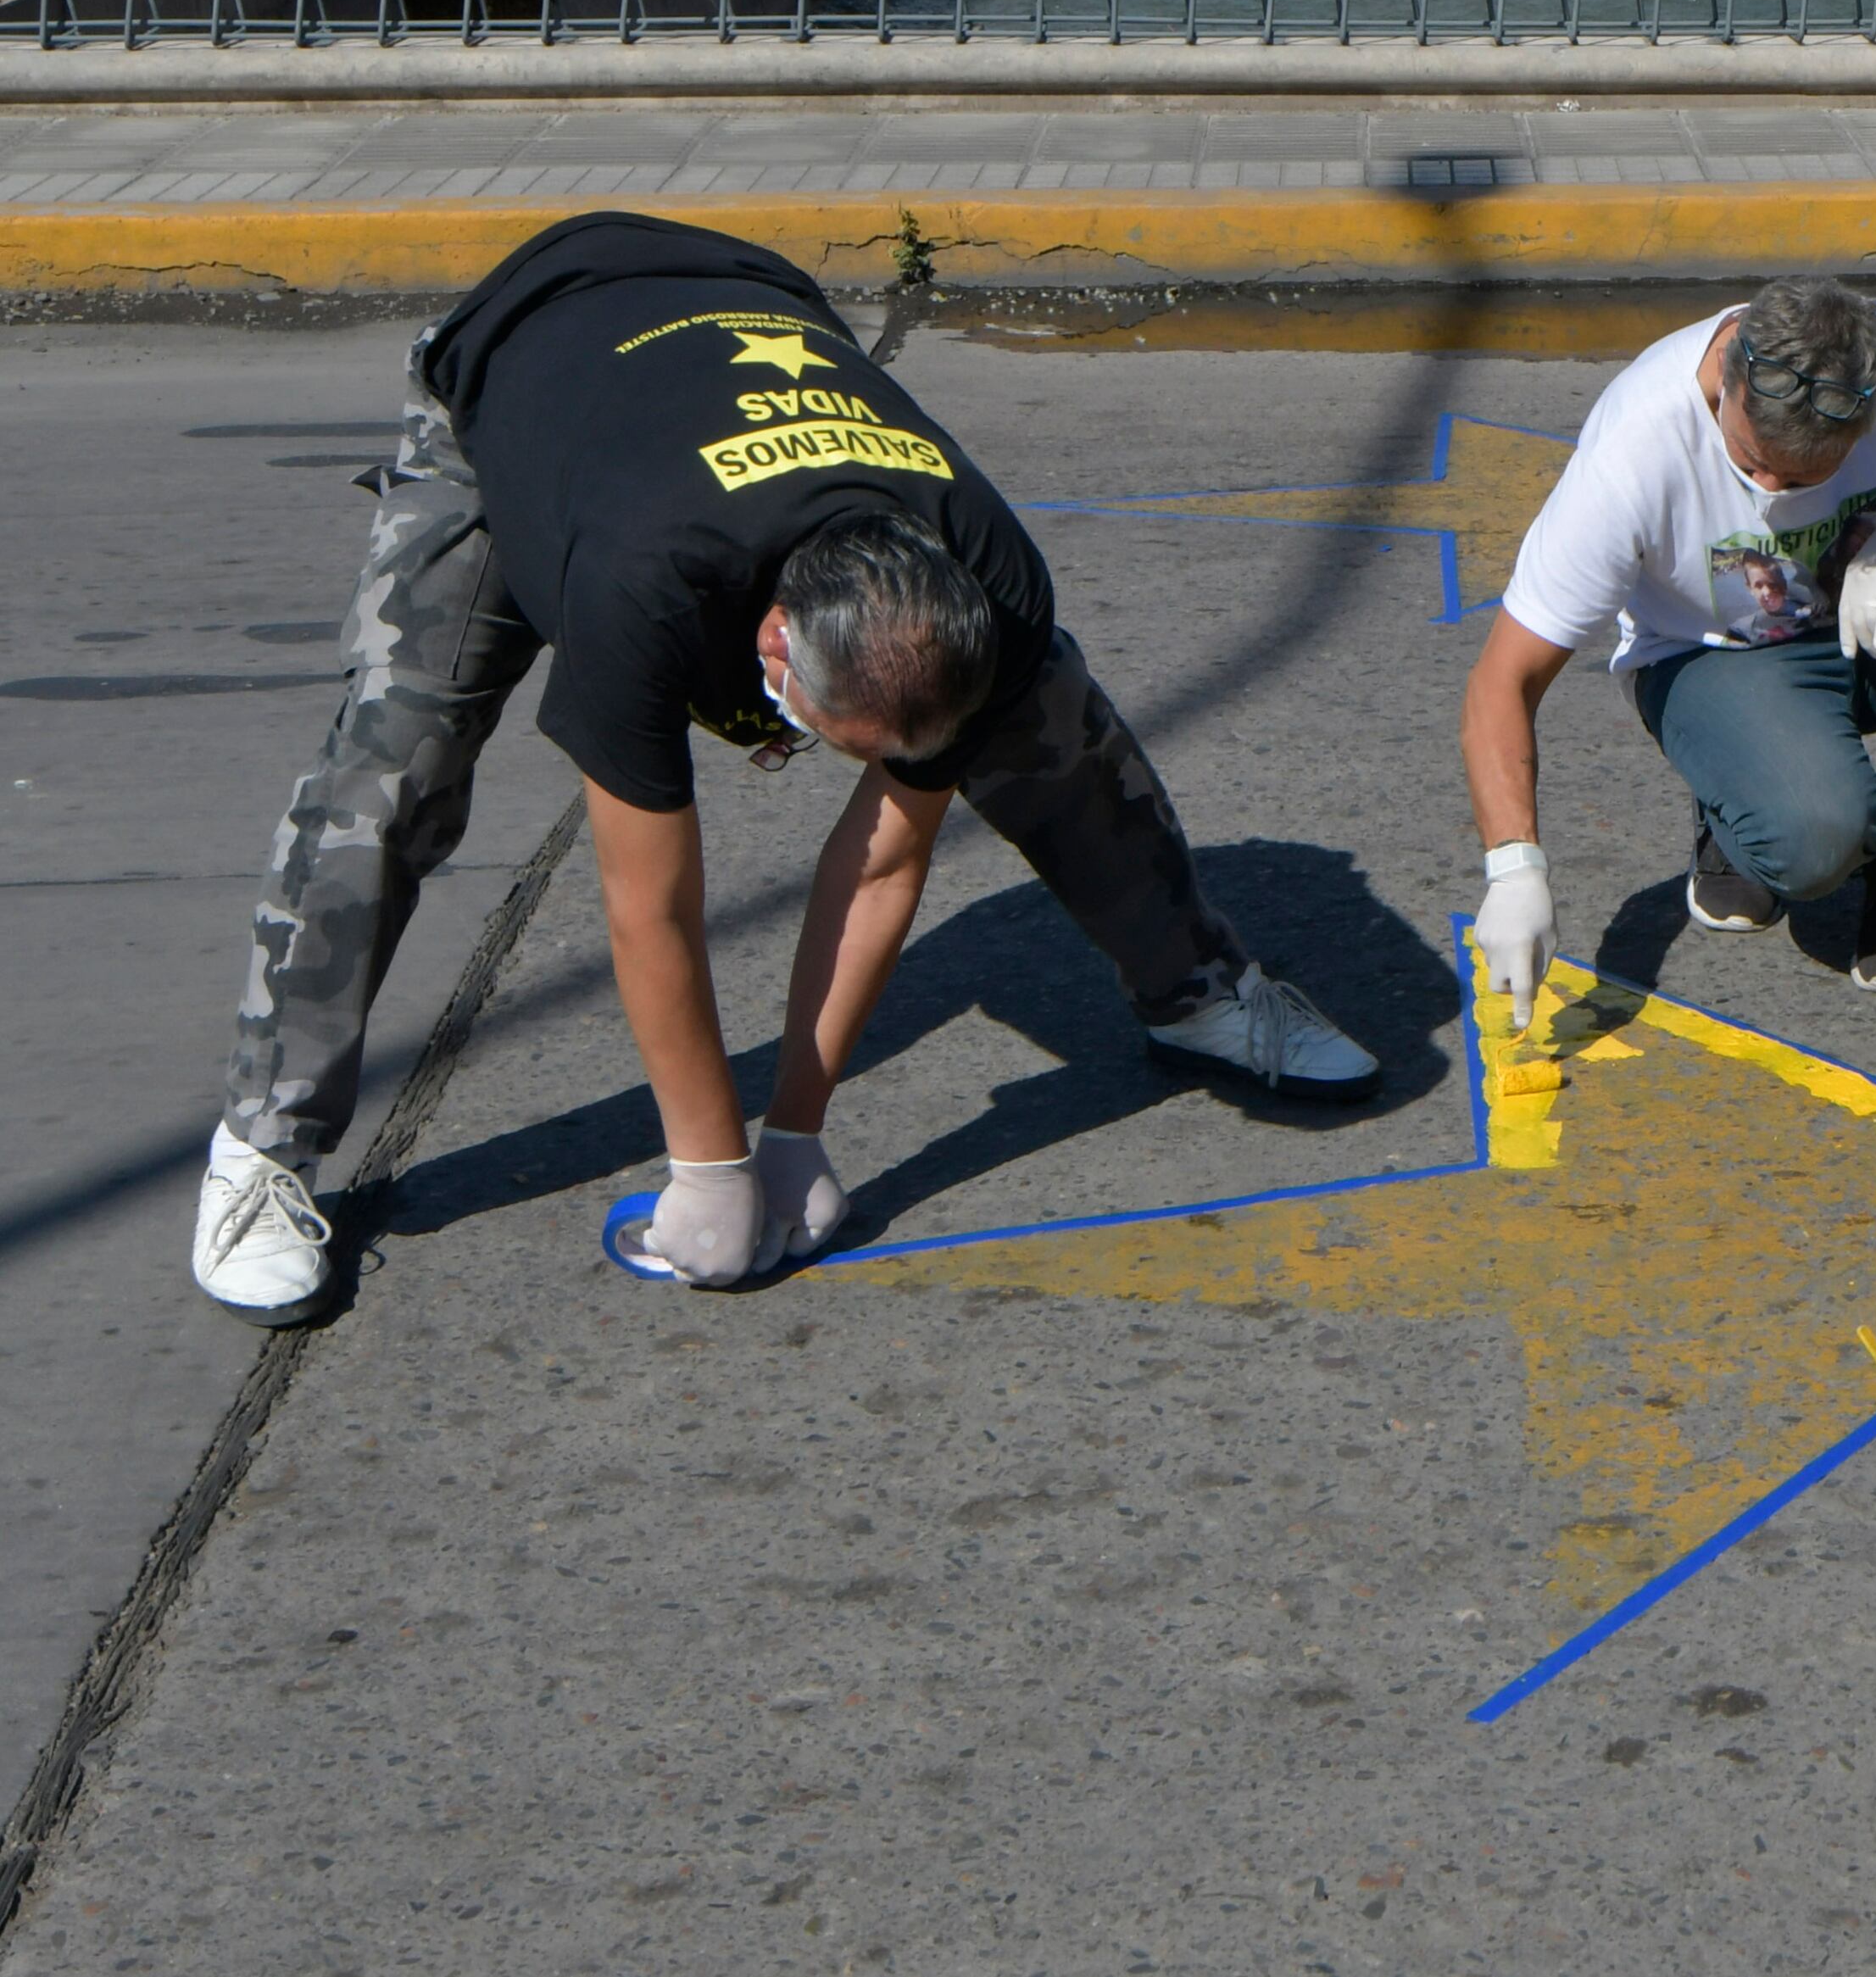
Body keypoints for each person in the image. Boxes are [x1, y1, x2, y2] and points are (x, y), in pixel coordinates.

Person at [188, 213, 1375, 1323]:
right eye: (815, 733)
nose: (793, 759)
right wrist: (710, 1164)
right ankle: (262, 1143)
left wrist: (796, 1130)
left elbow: (877, 868)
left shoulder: (983, 570)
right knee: (399, 761)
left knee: (1045, 712)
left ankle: (1197, 987)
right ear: (770, 646)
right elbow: (651, 907)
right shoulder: (638, 596)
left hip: (747, 309)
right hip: (523, 370)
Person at [1460, 276, 1876, 1014]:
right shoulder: (1633, 449)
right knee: (1815, 844)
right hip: (1714, 656)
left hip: (1874, 623)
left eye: (1800, 475)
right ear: (1727, 368)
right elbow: (1503, 679)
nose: (1768, 487)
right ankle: (1738, 798)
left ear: (1872, 409)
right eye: (1750, 458)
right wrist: (1515, 868)